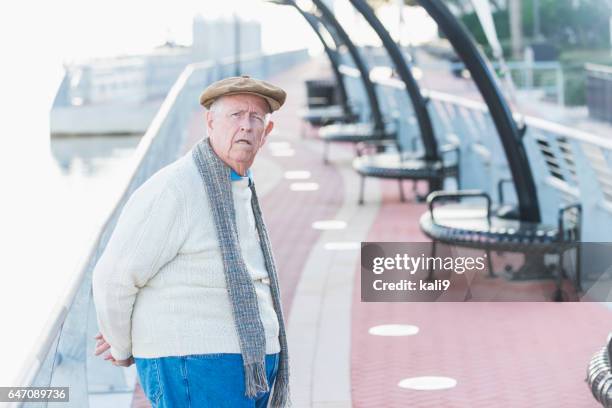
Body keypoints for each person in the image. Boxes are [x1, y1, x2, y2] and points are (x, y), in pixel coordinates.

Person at [91, 75, 291, 407]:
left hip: (247, 365)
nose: (246, 126)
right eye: (235, 116)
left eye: (256, 117)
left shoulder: (240, 187)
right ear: (209, 122)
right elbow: (113, 277)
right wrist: (121, 347)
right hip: (193, 364)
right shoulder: (175, 188)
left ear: (266, 133)